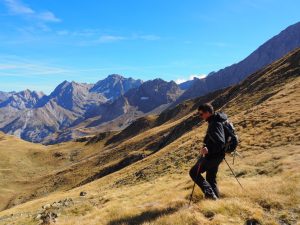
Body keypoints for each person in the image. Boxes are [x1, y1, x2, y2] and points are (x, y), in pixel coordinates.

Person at [189, 103, 227, 200]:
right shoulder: (216, 120)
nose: (200, 116)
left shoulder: (215, 123)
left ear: (208, 113)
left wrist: (208, 150)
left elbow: (220, 143)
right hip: (218, 156)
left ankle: (210, 195)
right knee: (210, 179)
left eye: (201, 114)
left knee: (193, 172)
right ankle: (216, 201)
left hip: (212, 157)